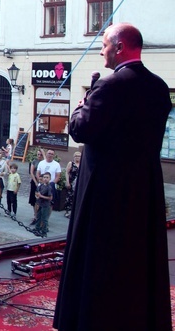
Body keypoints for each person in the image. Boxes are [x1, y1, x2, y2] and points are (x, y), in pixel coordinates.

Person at [55, 23, 172, 331]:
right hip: (143, 187)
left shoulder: (109, 86)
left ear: (119, 47)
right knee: (136, 256)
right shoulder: (159, 87)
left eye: (104, 44)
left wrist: (80, 108)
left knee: (100, 258)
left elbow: (81, 130)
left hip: (105, 188)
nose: (101, 50)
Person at [34, 172, 53, 237]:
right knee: (38, 216)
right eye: (44, 177)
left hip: (45, 205)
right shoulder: (41, 185)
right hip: (40, 204)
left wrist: (41, 196)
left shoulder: (49, 187)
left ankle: (44, 231)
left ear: (50, 178)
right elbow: (37, 192)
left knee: (44, 219)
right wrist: (37, 196)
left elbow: (50, 198)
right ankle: (37, 228)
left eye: (47, 177)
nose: (45, 179)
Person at [64, 151, 81, 218]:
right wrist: (67, 182)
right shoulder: (71, 163)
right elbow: (67, 173)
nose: (77, 157)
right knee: (70, 197)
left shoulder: (82, 164)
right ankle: (68, 211)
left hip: (79, 183)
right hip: (72, 182)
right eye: (76, 156)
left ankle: (75, 212)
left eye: (79, 156)